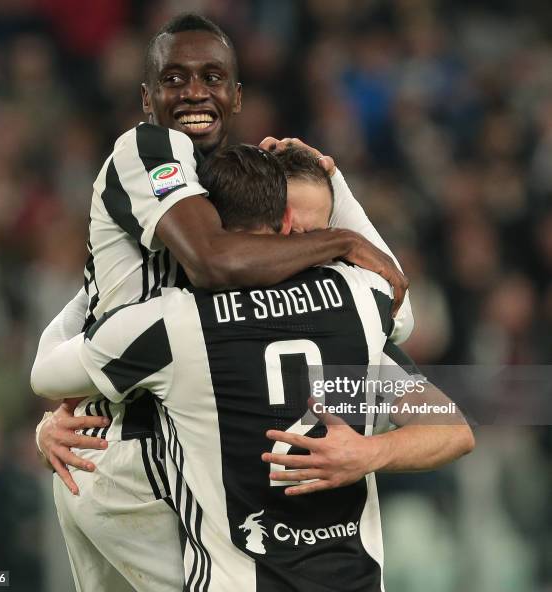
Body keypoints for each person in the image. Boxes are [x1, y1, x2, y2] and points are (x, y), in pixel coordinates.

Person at [34, 13, 413, 591]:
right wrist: (339, 234)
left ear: (238, 97)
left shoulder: (212, 190)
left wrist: (337, 190)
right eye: (175, 78)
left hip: (113, 455)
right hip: (146, 467)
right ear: (146, 99)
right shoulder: (148, 148)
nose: (193, 92)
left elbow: (83, 310)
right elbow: (212, 261)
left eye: (212, 77)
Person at [32, 145, 474, 592]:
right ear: (282, 223)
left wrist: (95, 286)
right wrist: (339, 201)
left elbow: (46, 373)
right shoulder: (357, 302)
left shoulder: (170, 321)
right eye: (304, 231)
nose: (309, 246)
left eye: (319, 231)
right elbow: (412, 328)